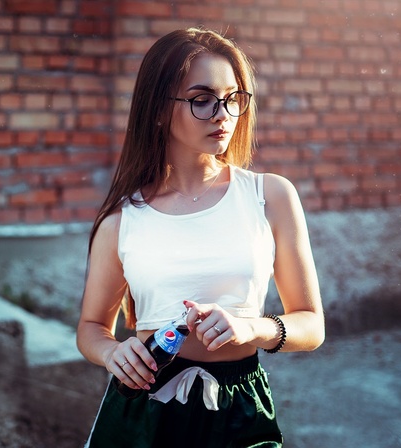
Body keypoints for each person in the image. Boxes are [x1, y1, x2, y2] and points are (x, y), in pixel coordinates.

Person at [76, 27, 324, 448]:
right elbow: (92, 327)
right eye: (202, 99)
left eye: (233, 98)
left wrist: (250, 329)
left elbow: (311, 325)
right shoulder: (123, 220)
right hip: (144, 412)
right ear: (157, 109)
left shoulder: (270, 196)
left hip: (240, 409)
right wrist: (112, 353)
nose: (224, 114)